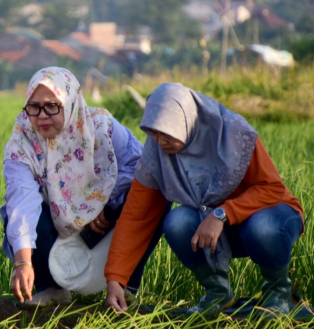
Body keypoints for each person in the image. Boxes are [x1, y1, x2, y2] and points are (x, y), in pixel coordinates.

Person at [105, 83, 304, 316]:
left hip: (272, 218)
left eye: (167, 132)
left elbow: (270, 189)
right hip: (218, 231)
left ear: (187, 121)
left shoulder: (234, 133)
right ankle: (218, 294)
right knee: (177, 221)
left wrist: (222, 214)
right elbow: (137, 214)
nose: (159, 141)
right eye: (153, 132)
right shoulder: (156, 153)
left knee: (262, 228)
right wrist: (115, 279)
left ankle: (277, 294)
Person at [1, 67, 167, 306]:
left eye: (51, 106)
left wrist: (104, 204)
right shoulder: (21, 143)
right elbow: (22, 200)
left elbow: (140, 168)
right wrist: (23, 263)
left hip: (106, 221)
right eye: (34, 107)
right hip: (59, 227)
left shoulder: (100, 126)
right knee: (15, 212)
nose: (42, 115)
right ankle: (51, 288)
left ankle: (126, 286)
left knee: (154, 196)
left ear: (70, 102)